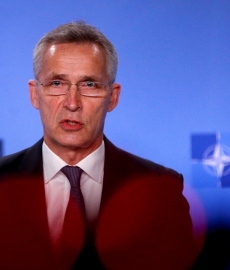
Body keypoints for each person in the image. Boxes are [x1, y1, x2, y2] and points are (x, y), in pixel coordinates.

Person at [0, 21, 198, 269]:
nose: (72, 103)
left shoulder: (161, 192)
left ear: (112, 97)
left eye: (89, 84)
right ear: (34, 94)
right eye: (57, 83)